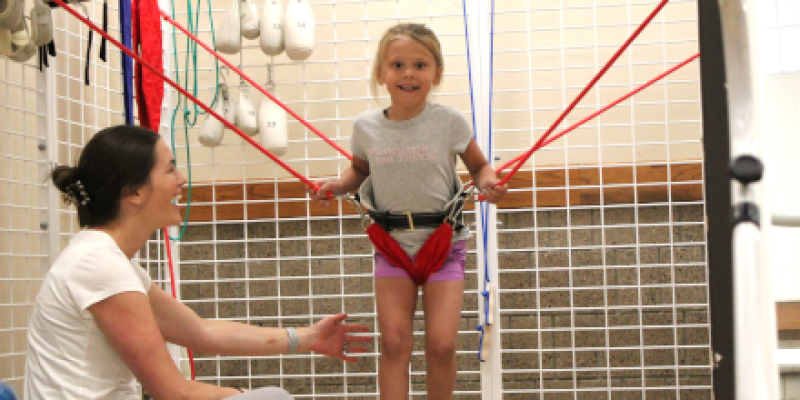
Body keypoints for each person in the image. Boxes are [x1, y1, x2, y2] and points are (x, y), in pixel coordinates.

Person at [24, 125, 371, 400]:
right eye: (171, 170)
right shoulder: (98, 265)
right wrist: (241, 396)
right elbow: (173, 393)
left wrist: (307, 338)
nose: (182, 181)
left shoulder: (110, 262)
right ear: (133, 192)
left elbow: (201, 332)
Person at [309, 23, 506, 400]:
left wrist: (488, 185)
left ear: (436, 73)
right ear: (382, 72)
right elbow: (361, 171)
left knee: (442, 345)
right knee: (395, 343)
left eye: (420, 64)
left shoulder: (448, 122)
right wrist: (336, 186)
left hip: (442, 246)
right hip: (392, 248)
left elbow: (479, 167)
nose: (409, 73)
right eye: (397, 64)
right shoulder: (366, 127)